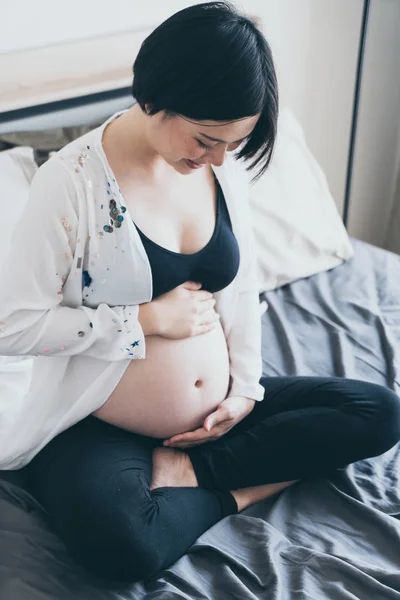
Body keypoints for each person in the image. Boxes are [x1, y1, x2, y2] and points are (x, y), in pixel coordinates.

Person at [0, 0, 400, 584]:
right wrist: (145, 319)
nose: (215, 159)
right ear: (158, 95)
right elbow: (12, 325)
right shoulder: (73, 182)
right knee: (121, 548)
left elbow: (243, 290)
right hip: (101, 421)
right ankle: (231, 490)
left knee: (379, 412)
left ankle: (194, 473)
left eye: (229, 146)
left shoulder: (219, 167)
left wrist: (244, 388)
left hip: (217, 418)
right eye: (206, 139)